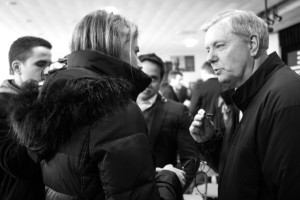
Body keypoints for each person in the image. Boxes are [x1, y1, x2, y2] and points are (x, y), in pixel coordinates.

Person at [8, 10, 184, 200]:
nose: (139, 64)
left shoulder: (52, 99)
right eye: (135, 51)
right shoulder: (114, 107)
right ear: (117, 49)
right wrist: (170, 178)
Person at [189, 10, 300, 200]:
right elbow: (242, 170)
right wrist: (209, 142)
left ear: (253, 45)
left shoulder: (284, 98)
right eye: (208, 49)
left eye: (219, 46)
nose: (210, 57)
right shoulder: (243, 97)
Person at [137, 53, 199, 193]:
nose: (146, 83)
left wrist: (171, 188)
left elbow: (190, 159)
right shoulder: (120, 110)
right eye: (142, 76)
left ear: (161, 80)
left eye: (153, 78)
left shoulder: (177, 111)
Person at [0, 36, 52, 200]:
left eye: (49, 65)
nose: (47, 71)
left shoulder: (42, 98)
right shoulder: (2, 105)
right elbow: (16, 163)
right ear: (17, 67)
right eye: (40, 64)